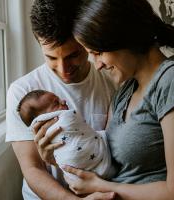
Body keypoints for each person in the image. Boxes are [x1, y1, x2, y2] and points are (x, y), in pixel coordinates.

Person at [45, 0, 174, 199]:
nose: (97, 66)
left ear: (125, 38)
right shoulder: (125, 91)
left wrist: (101, 187)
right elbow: (106, 161)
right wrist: (60, 158)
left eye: (97, 53)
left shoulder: (169, 81)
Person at [5, 0, 116, 199]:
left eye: (73, 55)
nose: (64, 70)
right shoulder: (22, 92)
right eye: (51, 58)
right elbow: (32, 169)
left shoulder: (112, 83)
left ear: (85, 41)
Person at [17, 90, 115, 181]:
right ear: (44, 117)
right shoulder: (64, 118)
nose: (63, 101)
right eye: (56, 103)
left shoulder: (107, 86)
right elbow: (31, 169)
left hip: (76, 178)